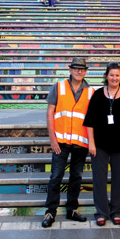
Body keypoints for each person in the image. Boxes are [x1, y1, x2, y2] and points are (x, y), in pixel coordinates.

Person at [42, 57, 95, 228]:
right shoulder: (58, 87)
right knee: (56, 176)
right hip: (61, 141)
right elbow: (50, 113)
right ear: (70, 69)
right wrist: (52, 139)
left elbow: (92, 120)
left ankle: (72, 209)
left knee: (76, 177)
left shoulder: (90, 92)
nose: (79, 71)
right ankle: (50, 211)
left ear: (86, 71)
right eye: (76, 68)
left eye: (82, 69)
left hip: (80, 142)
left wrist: (91, 142)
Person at [83, 63, 120, 226]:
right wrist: (91, 143)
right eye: (112, 75)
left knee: (118, 179)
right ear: (106, 76)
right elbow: (89, 121)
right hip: (100, 145)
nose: (114, 78)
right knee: (99, 179)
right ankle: (101, 212)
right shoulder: (98, 95)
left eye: (117, 75)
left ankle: (117, 211)